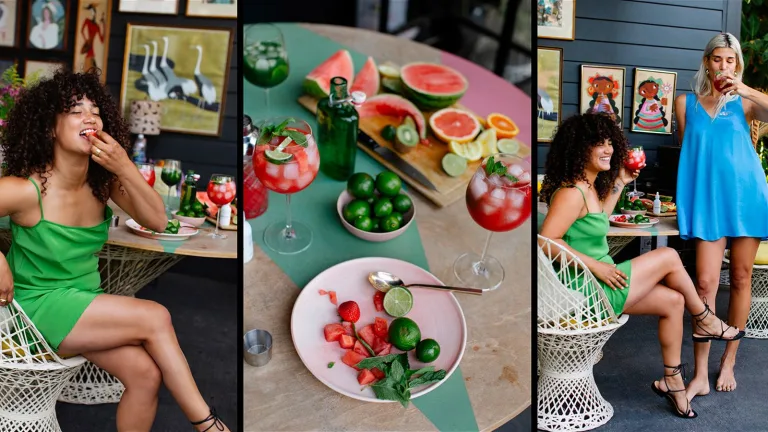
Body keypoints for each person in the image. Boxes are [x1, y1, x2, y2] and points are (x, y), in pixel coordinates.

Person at [0, 69, 229, 432]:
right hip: (35, 311)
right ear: (49, 128)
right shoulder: (27, 189)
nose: (89, 116)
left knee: (144, 374)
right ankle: (208, 425)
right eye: (75, 110)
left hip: (83, 304)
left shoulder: (102, 185)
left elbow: (157, 220)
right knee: (155, 316)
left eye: (94, 109)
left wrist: (124, 164)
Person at [539, 112, 744, 418]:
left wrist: (620, 182)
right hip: (585, 292)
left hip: (601, 284)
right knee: (669, 256)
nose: (608, 148)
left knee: (673, 301)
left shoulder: (587, 188)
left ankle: (673, 380)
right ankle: (705, 319)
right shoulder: (571, 193)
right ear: (579, 148)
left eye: (611, 141)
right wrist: (596, 266)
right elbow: (546, 241)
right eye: (599, 143)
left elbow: (597, 219)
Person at [675, 32, 768, 397]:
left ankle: (729, 359)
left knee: (742, 278)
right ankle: (699, 372)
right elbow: (692, 155)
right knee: (704, 284)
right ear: (706, 62)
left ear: (738, 64)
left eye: (731, 60)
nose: (723, 66)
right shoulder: (686, 104)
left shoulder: (746, 104)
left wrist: (743, 88)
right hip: (709, 203)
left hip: (748, 198)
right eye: (718, 59)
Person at [79, 3, 105, 72]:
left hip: (91, 52)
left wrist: (103, 24)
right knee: (88, 71)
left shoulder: (97, 26)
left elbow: (102, 40)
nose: (92, 14)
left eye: (93, 12)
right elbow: (82, 31)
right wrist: (86, 40)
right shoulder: (87, 21)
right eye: (91, 12)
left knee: (89, 71)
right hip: (89, 50)